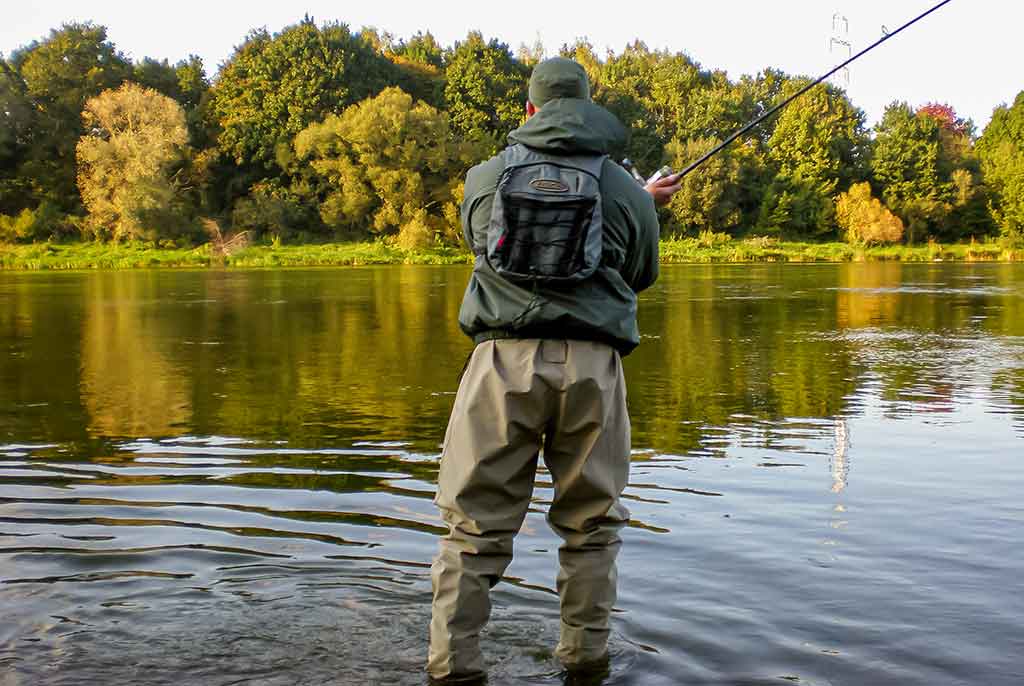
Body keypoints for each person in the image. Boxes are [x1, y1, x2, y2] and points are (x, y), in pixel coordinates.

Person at [428, 57, 681, 684]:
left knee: (472, 528)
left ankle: (452, 668)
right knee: (592, 527)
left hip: (501, 365)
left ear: (531, 110)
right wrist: (640, 203)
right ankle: (586, 664)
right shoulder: (624, 189)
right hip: (593, 368)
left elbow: (480, 243)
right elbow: (641, 273)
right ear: (587, 106)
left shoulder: (485, 177)